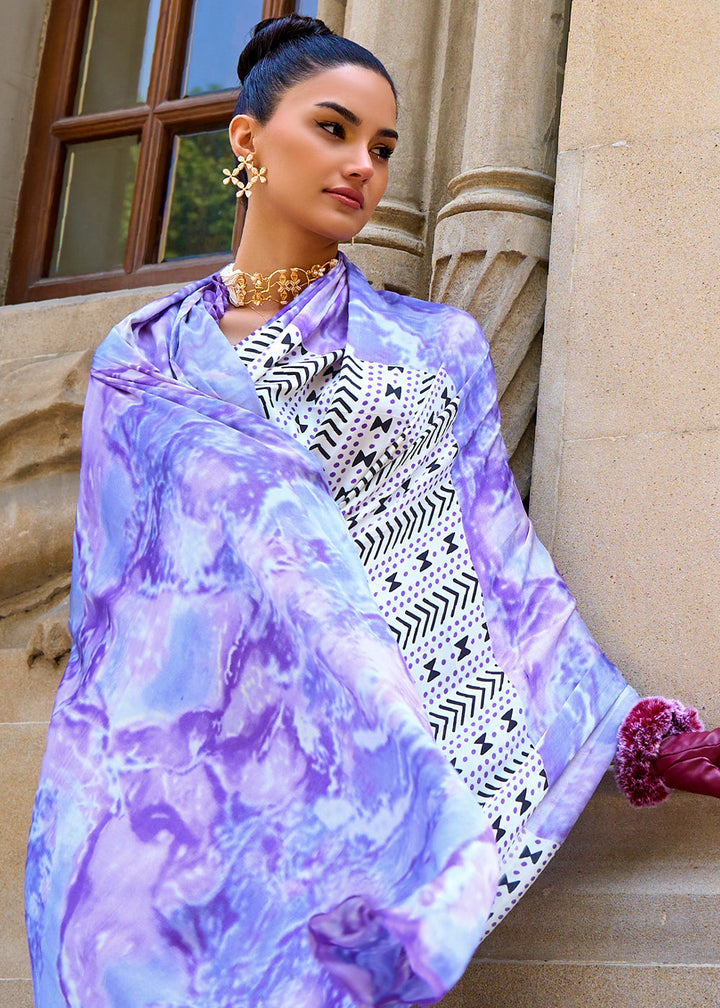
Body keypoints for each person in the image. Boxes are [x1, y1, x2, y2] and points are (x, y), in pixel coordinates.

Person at [24, 14, 720, 1008]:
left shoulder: (434, 349)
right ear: (249, 140)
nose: (363, 166)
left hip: (354, 809)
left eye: (384, 148)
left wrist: (633, 731)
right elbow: (118, 621)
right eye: (334, 129)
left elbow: (498, 572)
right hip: (179, 825)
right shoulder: (144, 362)